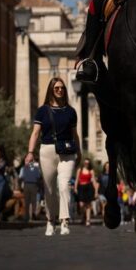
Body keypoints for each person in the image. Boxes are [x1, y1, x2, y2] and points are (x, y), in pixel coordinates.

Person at [25, 77, 80, 236]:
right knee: (49, 189)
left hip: (67, 152)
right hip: (47, 151)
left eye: (62, 88)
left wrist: (80, 152)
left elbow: (75, 134)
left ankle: (64, 221)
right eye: (56, 88)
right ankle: (50, 220)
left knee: (64, 186)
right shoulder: (42, 110)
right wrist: (30, 152)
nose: (60, 90)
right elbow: (35, 133)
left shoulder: (71, 111)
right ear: (51, 90)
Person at [20, 154, 42, 221]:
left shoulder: (34, 168)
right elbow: (22, 177)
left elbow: (38, 176)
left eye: (29, 160)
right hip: (27, 184)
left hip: (33, 185)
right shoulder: (24, 168)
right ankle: (27, 216)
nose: (27, 161)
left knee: (32, 201)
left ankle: (32, 215)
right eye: (26, 160)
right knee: (28, 201)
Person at [75, 157, 96, 226]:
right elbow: (77, 179)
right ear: (83, 163)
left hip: (89, 188)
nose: (86, 164)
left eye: (88, 163)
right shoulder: (79, 170)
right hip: (81, 187)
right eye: (85, 163)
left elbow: (94, 181)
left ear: (89, 164)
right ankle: (83, 216)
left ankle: (88, 220)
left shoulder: (91, 171)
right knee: (81, 205)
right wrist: (75, 188)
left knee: (88, 205)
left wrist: (96, 191)